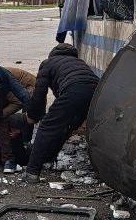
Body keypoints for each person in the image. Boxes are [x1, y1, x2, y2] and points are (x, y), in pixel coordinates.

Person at [23, 43, 99, 183]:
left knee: (46, 127)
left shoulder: (48, 63)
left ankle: (32, 171)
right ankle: (48, 159)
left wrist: (33, 115)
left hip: (73, 90)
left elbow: (39, 94)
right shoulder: (79, 63)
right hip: (98, 93)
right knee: (66, 127)